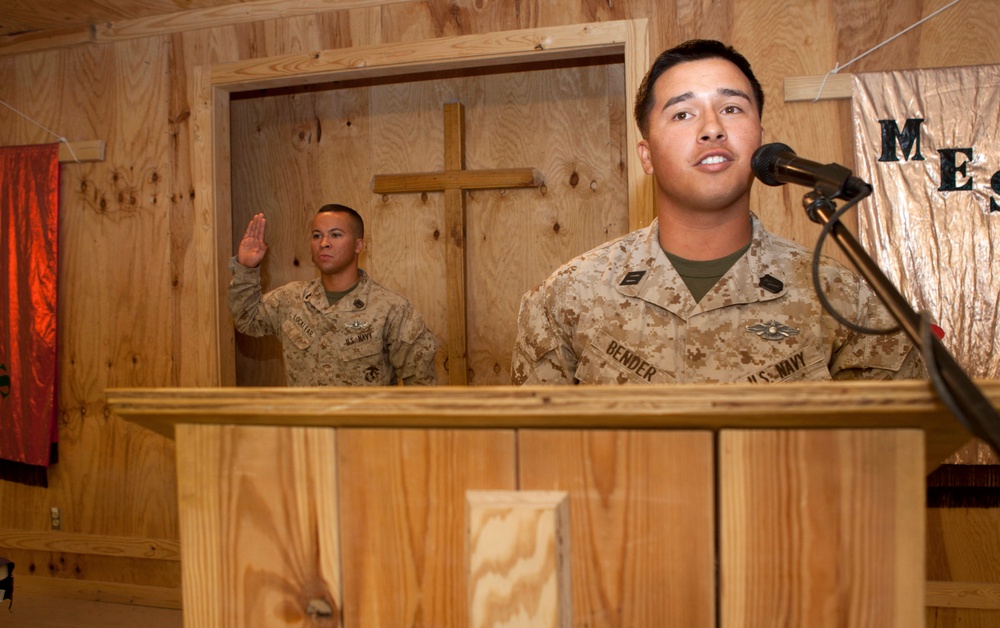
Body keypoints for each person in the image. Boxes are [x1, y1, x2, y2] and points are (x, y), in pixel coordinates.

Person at [511, 39, 924, 385]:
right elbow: (534, 453)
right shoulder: (569, 296)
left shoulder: (846, 301)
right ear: (647, 155)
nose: (712, 129)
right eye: (683, 114)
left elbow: (883, 460)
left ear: (760, 139)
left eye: (731, 108)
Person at [228, 204, 439, 386]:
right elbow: (247, 319)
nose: (324, 243)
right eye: (317, 235)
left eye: (335, 235)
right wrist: (246, 268)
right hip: (307, 430)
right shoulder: (290, 299)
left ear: (358, 245)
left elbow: (421, 384)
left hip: (363, 431)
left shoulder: (391, 309)